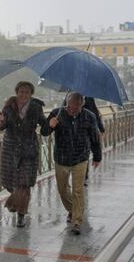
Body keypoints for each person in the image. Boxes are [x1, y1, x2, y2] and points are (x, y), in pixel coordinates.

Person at [41, 92, 102, 235]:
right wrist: (50, 126)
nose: (71, 110)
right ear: (66, 103)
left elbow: (94, 137)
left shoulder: (89, 116)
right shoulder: (57, 113)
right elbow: (44, 132)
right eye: (69, 107)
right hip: (61, 158)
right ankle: (74, 209)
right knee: (62, 190)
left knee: (78, 190)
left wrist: (97, 156)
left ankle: (76, 221)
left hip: (80, 158)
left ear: (82, 105)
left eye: (75, 108)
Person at [0, 81, 48, 228]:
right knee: (10, 183)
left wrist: (51, 123)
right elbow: (2, 127)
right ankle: (16, 202)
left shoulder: (36, 108)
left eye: (27, 92)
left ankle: (21, 215)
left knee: (24, 183)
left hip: (28, 149)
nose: (23, 94)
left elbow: (44, 125)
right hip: (10, 149)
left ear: (31, 94)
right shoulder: (9, 107)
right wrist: (0, 122)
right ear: (17, 92)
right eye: (21, 91)